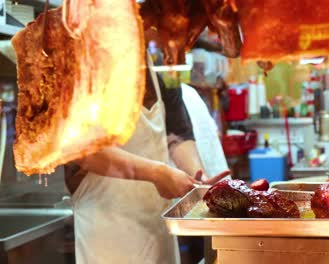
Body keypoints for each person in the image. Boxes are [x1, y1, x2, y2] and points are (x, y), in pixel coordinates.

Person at [64, 53, 229, 264]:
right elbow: (82, 149)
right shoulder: (91, 60)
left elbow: (178, 134)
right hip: (108, 234)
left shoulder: (161, 66)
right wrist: (157, 173)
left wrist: (199, 179)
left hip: (158, 230)